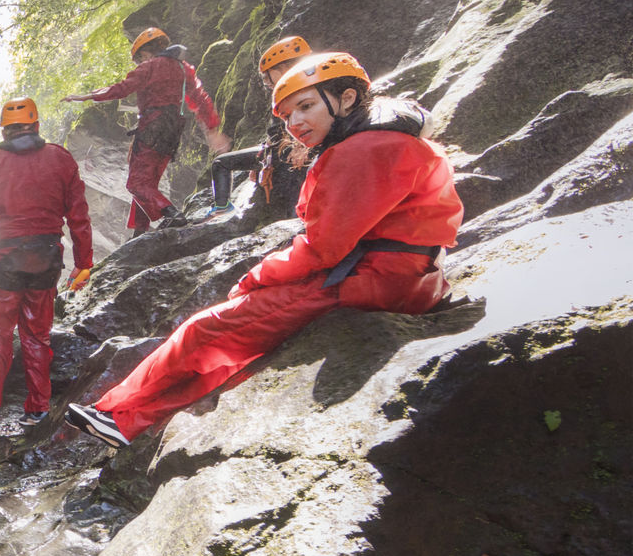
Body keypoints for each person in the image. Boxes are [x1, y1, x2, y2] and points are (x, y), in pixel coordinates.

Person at [64, 52, 462, 448]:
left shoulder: (363, 149)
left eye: (305, 107)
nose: (295, 124)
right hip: (399, 275)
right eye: (288, 116)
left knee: (207, 329)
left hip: (374, 279)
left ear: (346, 99)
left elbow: (323, 248)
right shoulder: (380, 137)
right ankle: (130, 419)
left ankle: (115, 413)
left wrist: (257, 276)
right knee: (238, 343)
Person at [0, 98, 95, 434]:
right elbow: (78, 215)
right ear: (36, 126)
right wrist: (84, 263)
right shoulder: (60, 159)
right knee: (36, 337)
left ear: (4, 129)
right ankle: (38, 410)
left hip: (4, 263)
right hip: (45, 262)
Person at [64, 27, 231, 234]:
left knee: (136, 184)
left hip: (152, 128)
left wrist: (87, 96)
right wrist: (212, 130)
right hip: (173, 133)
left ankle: (171, 213)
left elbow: (122, 88)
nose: (139, 63)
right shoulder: (183, 68)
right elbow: (199, 99)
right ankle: (139, 232)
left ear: (144, 54)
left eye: (138, 60)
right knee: (147, 183)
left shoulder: (150, 67)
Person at [202, 35, 314, 221]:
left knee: (291, 182)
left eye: (267, 75)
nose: (265, 81)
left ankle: (293, 222)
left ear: (283, 68)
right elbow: (277, 132)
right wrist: (263, 156)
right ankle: (222, 208)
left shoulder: (298, 90)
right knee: (220, 163)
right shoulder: (296, 89)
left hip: (291, 154)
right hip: (279, 151)